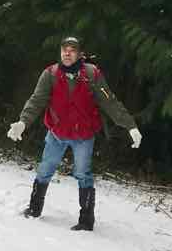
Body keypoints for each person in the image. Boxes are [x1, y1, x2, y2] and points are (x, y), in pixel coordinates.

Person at [8, 35, 142, 231]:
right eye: (64, 49)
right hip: (57, 133)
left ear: (80, 54)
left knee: (82, 173)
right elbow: (36, 100)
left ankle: (86, 220)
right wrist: (23, 122)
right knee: (45, 169)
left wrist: (130, 126)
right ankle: (34, 208)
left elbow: (110, 102)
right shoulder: (50, 74)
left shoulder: (92, 74)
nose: (67, 53)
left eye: (71, 50)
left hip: (83, 136)